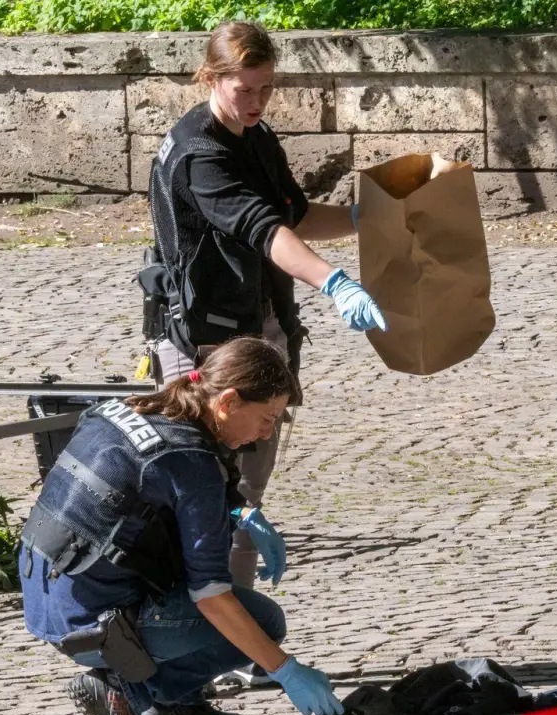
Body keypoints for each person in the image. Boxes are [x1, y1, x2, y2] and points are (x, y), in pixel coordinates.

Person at [142, 19, 385, 590]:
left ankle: (237, 626)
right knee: (203, 495)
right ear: (210, 77)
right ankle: (196, 633)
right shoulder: (200, 153)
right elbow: (263, 230)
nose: (256, 101)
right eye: (243, 89)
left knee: (246, 490)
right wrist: (334, 282)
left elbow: (291, 215)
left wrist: (361, 220)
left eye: (266, 88)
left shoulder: (256, 137)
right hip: (203, 342)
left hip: (259, 332)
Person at [20, 337, 344, 715]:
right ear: (227, 402)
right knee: (262, 620)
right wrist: (284, 668)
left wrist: (237, 512)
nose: (267, 433)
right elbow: (210, 595)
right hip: (93, 619)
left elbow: (142, 487)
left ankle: (176, 706)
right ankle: (127, 691)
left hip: (45, 586)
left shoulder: (128, 408)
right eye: (267, 417)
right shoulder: (193, 463)